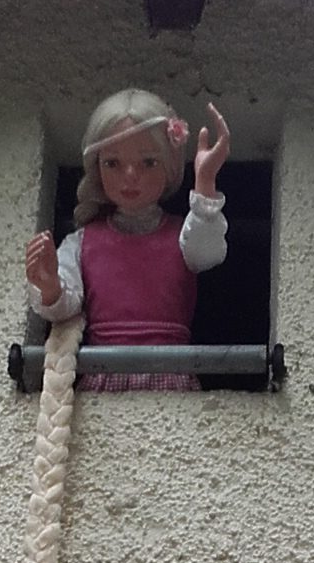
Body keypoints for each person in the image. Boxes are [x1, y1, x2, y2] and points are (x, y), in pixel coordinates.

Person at [24, 89, 230, 390]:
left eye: (148, 162)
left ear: (170, 164)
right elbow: (66, 306)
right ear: (97, 168)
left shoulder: (184, 234)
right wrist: (50, 286)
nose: (130, 175)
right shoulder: (83, 241)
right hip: (103, 379)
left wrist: (205, 184)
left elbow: (208, 251)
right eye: (113, 163)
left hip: (170, 378)